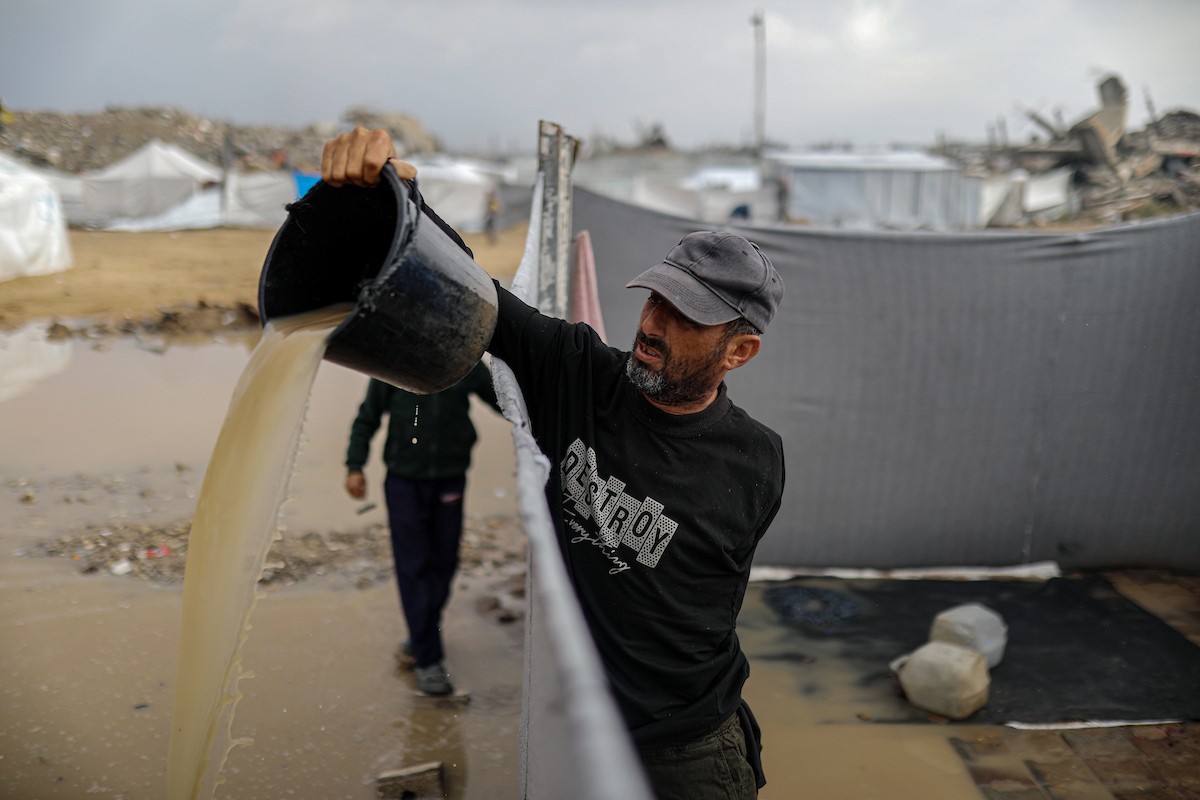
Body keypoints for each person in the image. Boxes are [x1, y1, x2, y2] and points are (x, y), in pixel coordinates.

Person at [323, 128, 785, 800]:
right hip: (578, 726)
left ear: (739, 352)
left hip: (689, 749)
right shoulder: (578, 375)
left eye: (686, 315)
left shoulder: (755, 459)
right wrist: (398, 194)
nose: (652, 324)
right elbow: (476, 293)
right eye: (656, 297)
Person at [344, 362, 503, 696]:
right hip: (403, 481)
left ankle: (420, 635)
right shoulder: (390, 362)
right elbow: (367, 417)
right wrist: (355, 465)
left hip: (450, 477)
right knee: (414, 567)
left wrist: (545, 420)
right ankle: (428, 660)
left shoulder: (462, 361)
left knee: (445, 564)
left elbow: (503, 401)